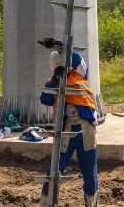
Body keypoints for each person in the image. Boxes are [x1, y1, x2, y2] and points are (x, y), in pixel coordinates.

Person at [39, 51, 99, 207]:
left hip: (81, 130)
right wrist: (55, 79)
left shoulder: (73, 80)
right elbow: (45, 98)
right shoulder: (65, 81)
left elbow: (45, 98)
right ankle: (48, 201)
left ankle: (89, 201)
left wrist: (56, 76)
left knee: (81, 167)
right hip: (73, 130)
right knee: (61, 168)